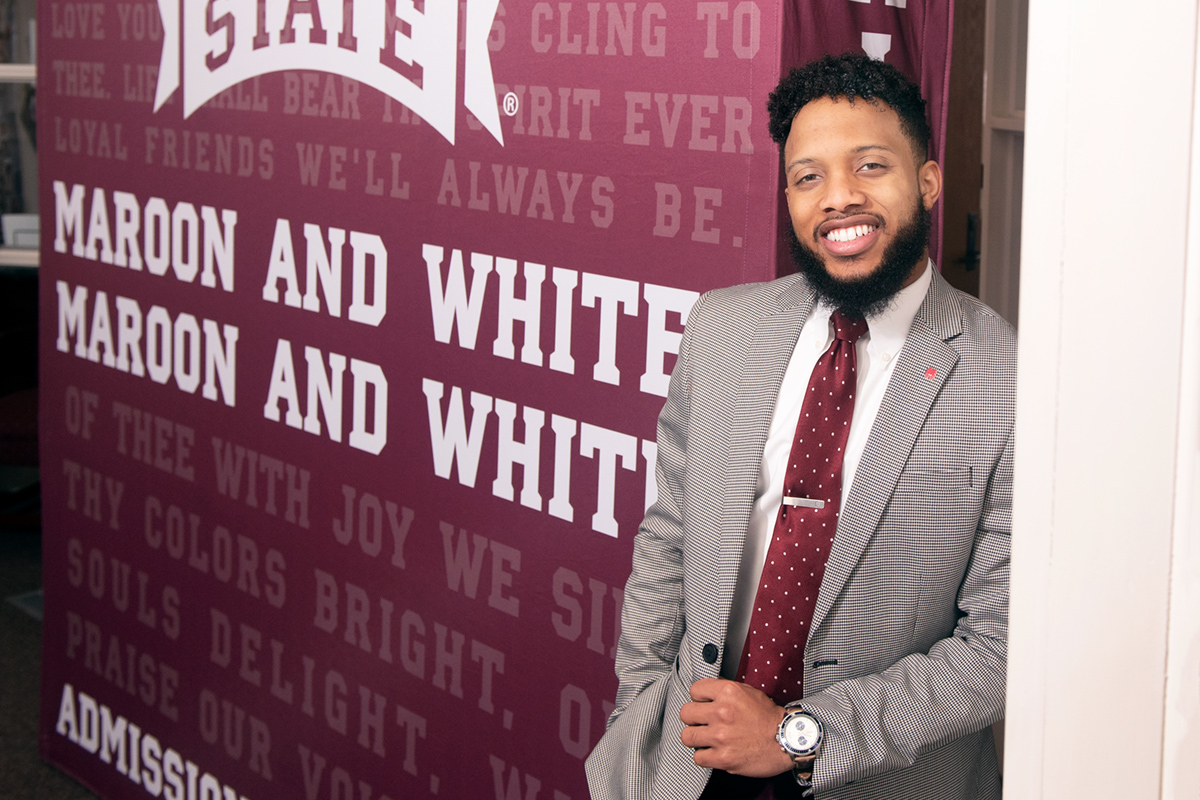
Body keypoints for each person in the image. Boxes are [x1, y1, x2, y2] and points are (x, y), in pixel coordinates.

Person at [585, 53, 1014, 800]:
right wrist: (641, 707)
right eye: (808, 176)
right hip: (692, 764)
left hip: (883, 778)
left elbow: (999, 645)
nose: (838, 199)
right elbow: (668, 534)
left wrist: (795, 737)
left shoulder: (1009, 378)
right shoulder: (723, 326)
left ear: (928, 182)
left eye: (870, 166)